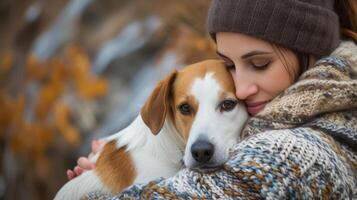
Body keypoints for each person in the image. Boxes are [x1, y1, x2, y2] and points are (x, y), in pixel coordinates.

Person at [70, 0, 357, 199]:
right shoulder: (329, 119)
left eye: (259, 64)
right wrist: (118, 173)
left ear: (311, 54)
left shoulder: (296, 155)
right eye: (229, 66)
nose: (241, 89)